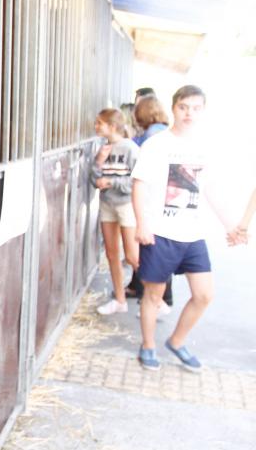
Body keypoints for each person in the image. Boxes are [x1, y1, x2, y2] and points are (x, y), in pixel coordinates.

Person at [131, 85, 243, 372]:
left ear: (202, 111)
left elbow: (211, 190)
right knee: (153, 296)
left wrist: (230, 226)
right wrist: (142, 224)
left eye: (195, 108)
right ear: (174, 108)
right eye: (184, 107)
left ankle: (177, 341)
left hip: (193, 234)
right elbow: (139, 185)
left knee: (205, 294)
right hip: (160, 232)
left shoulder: (205, 147)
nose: (189, 113)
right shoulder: (157, 144)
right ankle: (148, 346)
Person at [126, 96, 174, 310]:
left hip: (152, 197)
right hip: (161, 197)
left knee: (154, 251)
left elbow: (142, 165)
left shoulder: (153, 136)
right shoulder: (162, 131)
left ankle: (159, 299)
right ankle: (149, 293)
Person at [90, 108, 139, 315]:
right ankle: (120, 298)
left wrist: (111, 181)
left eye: (100, 123)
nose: (96, 126)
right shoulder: (103, 148)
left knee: (132, 255)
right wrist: (99, 163)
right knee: (111, 253)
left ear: (112, 126)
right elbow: (93, 180)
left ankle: (158, 296)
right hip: (107, 203)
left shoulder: (130, 148)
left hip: (126, 204)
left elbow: (137, 180)